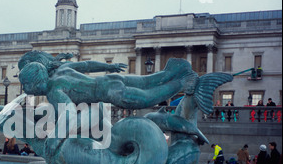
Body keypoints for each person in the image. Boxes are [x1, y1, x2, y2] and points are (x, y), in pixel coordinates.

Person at [18, 51, 197, 113]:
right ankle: (175, 69)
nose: (27, 91)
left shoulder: (54, 91)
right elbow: (87, 64)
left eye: (28, 88)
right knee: (148, 80)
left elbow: (68, 115)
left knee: (147, 98)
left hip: (111, 93)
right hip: (110, 79)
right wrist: (108, 67)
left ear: (36, 84)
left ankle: (182, 83)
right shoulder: (62, 69)